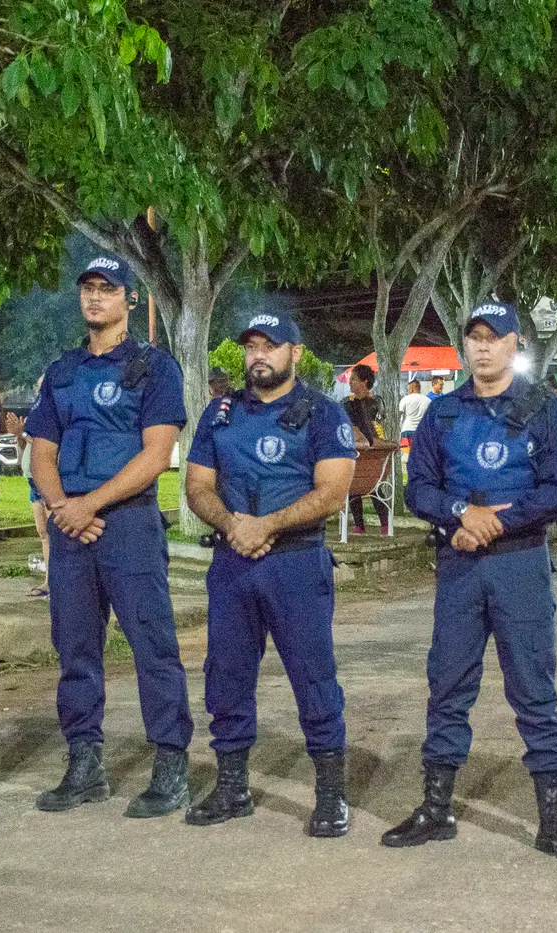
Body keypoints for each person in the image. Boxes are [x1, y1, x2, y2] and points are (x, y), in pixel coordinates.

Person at [384, 301, 557, 863]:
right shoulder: (443, 413)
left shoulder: (544, 407)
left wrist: (496, 521)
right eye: (474, 337)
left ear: (513, 343)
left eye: (493, 338)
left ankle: (553, 818)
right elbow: (418, 488)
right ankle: (436, 808)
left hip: (520, 563)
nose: (482, 347)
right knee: (448, 684)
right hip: (460, 564)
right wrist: (461, 513)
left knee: (534, 689)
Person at [26, 255, 193, 819]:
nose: (95, 297)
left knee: (152, 646)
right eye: (88, 288)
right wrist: (60, 507)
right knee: (74, 647)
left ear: (129, 300)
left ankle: (170, 766)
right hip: (70, 524)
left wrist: (88, 505)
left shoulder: (154, 368)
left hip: (128, 524)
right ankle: (84, 764)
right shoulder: (63, 370)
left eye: (107, 288)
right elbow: (42, 452)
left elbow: (156, 455)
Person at [184, 311, 358, 837]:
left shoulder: (323, 414)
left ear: (295, 353)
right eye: (252, 346)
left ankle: (330, 795)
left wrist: (267, 526)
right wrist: (233, 525)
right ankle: (232, 788)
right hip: (232, 562)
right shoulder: (220, 413)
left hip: (296, 563)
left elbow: (333, 492)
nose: (258, 355)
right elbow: (197, 486)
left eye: (270, 345)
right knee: (226, 675)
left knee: (313, 676)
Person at [5, 379, 50, 598]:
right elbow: (27, 445)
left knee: (54, 533)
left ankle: (60, 581)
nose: (37, 390)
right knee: (43, 533)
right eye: (36, 387)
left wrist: (22, 433)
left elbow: (44, 442)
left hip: (48, 480)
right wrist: (19, 435)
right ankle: (49, 580)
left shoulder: (53, 412)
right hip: (32, 481)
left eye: (40, 386)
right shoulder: (35, 413)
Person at [343, 363, 390, 535]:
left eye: (354, 380)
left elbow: (371, 427)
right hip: (363, 450)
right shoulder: (349, 404)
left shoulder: (373, 403)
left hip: (370, 450)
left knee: (369, 485)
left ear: (365, 382)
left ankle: (377, 524)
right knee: (360, 485)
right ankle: (365, 525)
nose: (350, 383)